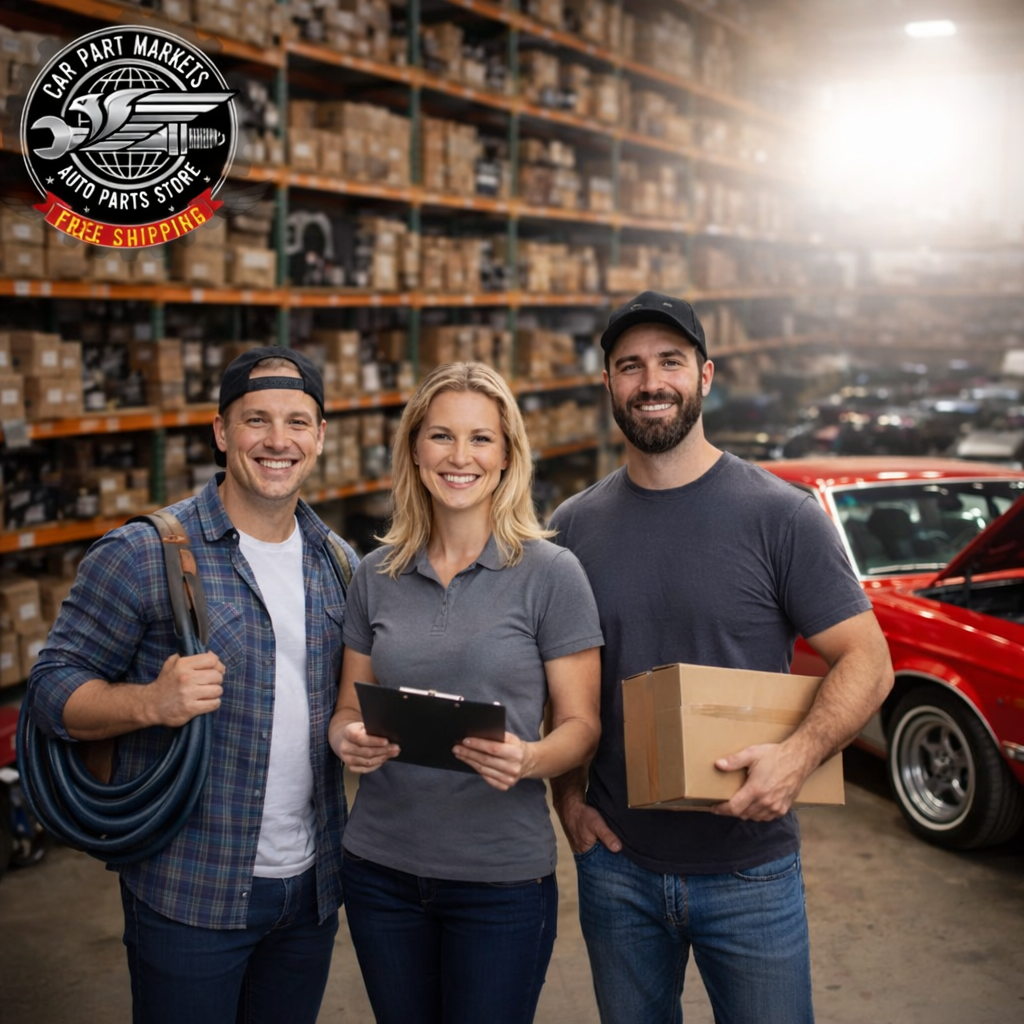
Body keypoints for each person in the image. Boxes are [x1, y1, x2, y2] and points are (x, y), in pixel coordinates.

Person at [548, 291, 895, 1024]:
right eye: (630, 365)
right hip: (618, 870)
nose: (650, 382)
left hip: (750, 868)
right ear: (608, 383)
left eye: (670, 362)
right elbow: (566, 687)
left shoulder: (780, 515)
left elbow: (869, 660)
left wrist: (796, 759)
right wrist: (569, 801)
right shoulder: (572, 528)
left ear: (705, 376)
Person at [26, 346, 358, 1024]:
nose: (277, 441)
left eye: (297, 422)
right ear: (220, 432)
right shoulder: (146, 554)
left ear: (320, 437)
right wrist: (150, 701)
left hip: (311, 890)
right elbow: (49, 690)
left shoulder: (340, 564)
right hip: (191, 893)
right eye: (255, 420)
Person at [329, 361, 603, 1024]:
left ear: (507, 455)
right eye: (442, 437)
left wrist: (531, 759)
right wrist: (346, 740)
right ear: (414, 450)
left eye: (481, 439)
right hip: (380, 870)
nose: (460, 457)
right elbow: (346, 708)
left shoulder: (551, 574)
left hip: (500, 882)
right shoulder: (374, 575)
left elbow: (582, 725)